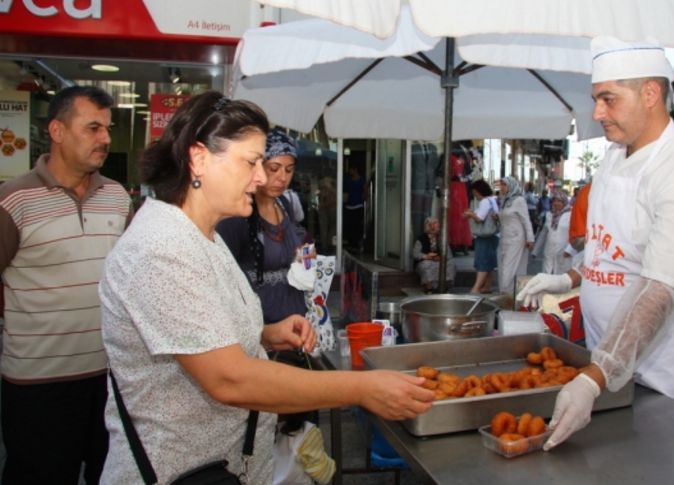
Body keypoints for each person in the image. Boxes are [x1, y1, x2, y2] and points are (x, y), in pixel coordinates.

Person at [98, 91, 433, 483]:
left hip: (225, 466)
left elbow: (196, 333)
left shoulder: (203, 234)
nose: (261, 177)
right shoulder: (162, 249)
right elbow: (229, 378)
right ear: (199, 158)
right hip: (179, 471)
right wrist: (360, 388)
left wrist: (264, 335)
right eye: (251, 162)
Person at [517, 36, 674, 449]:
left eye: (608, 99)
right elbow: (611, 247)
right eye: (596, 99)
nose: (597, 113)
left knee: (655, 459)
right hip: (607, 353)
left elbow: (661, 288)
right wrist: (568, 279)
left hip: (667, 357)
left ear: (650, 94)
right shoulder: (615, 157)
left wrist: (594, 379)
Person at [0, 85, 133, 484]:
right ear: (57, 131)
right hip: (37, 386)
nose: (105, 138)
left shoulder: (117, 197)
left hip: (108, 380)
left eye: (107, 128)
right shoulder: (13, 200)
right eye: (93, 128)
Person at [217, 129, 311, 324]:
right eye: (274, 168)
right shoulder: (239, 213)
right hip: (260, 326)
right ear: (258, 167)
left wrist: (303, 256)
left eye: (289, 169)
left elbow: (292, 250)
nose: (282, 178)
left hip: (295, 319)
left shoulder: (285, 205)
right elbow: (222, 277)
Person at [497, 176, 535, 296]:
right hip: (505, 239)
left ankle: (505, 295)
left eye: (504, 185)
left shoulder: (519, 200)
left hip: (516, 239)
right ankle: (513, 296)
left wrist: (530, 239)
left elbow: (526, 220)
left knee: (508, 269)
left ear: (511, 186)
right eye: (501, 185)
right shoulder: (505, 200)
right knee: (506, 268)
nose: (502, 188)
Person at [464, 180, 499, 294]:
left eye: (475, 192)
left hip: (484, 236)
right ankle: (487, 286)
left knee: (482, 262)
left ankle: (476, 288)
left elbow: (479, 218)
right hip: (494, 235)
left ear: (479, 191)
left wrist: (470, 214)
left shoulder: (484, 202)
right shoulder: (493, 200)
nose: (474, 195)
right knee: (490, 263)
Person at [532, 189, 573, 275]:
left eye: (559, 201)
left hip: (563, 252)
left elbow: (574, 235)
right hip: (549, 252)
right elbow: (543, 234)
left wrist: (570, 250)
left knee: (561, 279)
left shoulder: (571, 215)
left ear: (564, 202)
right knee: (547, 276)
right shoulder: (549, 215)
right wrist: (535, 251)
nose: (556, 203)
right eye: (554, 200)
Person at [413, 216, 456, 293]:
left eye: (438, 224)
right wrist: (427, 256)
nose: (438, 226)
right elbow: (415, 254)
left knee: (451, 264)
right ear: (430, 226)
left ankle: (444, 287)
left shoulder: (442, 238)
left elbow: (449, 255)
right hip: (426, 261)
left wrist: (442, 258)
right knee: (426, 265)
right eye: (436, 224)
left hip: (440, 261)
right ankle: (429, 287)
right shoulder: (421, 239)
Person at [448, 148, 473, 255]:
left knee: (455, 215)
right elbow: (469, 175)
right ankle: (462, 243)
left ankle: (455, 243)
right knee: (460, 215)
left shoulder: (451, 157)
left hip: (455, 187)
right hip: (461, 188)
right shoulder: (464, 156)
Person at [343, 162, 366, 252]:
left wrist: (363, 199)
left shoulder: (361, 180)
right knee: (349, 226)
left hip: (358, 205)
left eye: (351, 169)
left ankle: (356, 244)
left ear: (355, 170)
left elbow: (365, 191)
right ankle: (351, 243)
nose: (350, 171)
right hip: (349, 206)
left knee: (357, 226)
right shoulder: (348, 180)